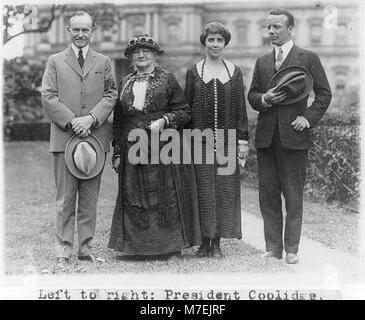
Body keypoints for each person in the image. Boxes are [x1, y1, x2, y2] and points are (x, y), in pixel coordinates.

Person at [248, 8, 331, 264]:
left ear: (290, 29)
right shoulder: (262, 61)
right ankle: (273, 249)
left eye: (277, 27)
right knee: (268, 195)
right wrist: (264, 98)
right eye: (268, 27)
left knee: (293, 196)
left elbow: (324, 93)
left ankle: (292, 249)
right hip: (266, 139)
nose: (271, 31)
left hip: (294, 138)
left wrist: (307, 117)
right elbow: (252, 95)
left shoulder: (308, 57)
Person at [108, 34, 201, 258]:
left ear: (154, 55)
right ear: (131, 57)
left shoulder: (167, 79)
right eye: (136, 52)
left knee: (164, 192)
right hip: (132, 144)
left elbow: (184, 112)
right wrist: (118, 152)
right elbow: (119, 120)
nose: (141, 55)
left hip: (162, 144)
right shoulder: (125, 82)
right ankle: (136, 248)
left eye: (146, 51)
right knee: (133, 192)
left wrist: (165, 121)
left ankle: (169, 247)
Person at [41, 10, 117, 268]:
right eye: (76, 30)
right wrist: (73, 120)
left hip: (95, 138)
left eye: (86, 30)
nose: (81, 34)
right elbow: (48, 97)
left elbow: (111, 94)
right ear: (68, 31)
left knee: (89, 198)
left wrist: (92, 119)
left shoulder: (104, 61)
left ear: (92, 32)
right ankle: (63, 251)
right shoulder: (55, 60)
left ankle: (85, 249)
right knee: (65, 199)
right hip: (64, 138)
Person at [185, 22, 249, 258]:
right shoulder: (194, 71)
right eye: (211, 40)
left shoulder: (234, 71)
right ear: (205, 42)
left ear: (225, 44)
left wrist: (242, 140)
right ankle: (204, 242)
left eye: (219, 40)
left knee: (224, 190)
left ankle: (218, 243)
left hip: (228, 141)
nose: (215, 44)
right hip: (198, 141)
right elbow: (187, 108)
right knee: (202, 189)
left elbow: (241, 108)